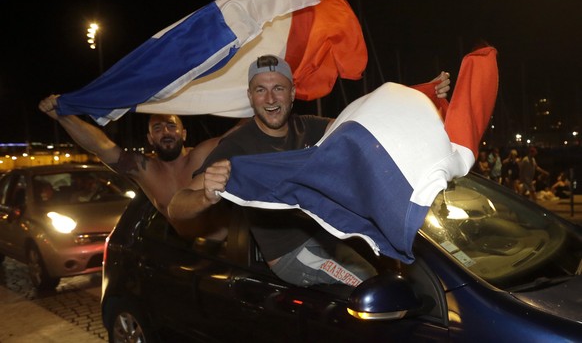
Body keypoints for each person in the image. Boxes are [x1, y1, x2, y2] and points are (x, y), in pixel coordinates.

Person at [168, 54, 451, 287]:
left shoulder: (310, 126)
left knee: (398, 270)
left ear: (292, 93)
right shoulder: (237, 146)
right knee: (367, 284)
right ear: (250, 97)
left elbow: (364, 123)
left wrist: (421, 96)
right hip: (292, 253)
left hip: (329, 234)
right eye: (260, 90)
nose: (270, 99)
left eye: (278, 88)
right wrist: (206, 195)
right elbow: (176, 207)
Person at [38, 96, 240, 237]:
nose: (166, 132)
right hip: (183, 252)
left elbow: (241, 135)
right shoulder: (146, 170)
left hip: (227, 250)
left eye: (171, 126)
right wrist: (63, 116)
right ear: (150, 139)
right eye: (158, 128)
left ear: (184, 134)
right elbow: (101, 147)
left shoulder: (203, 155)